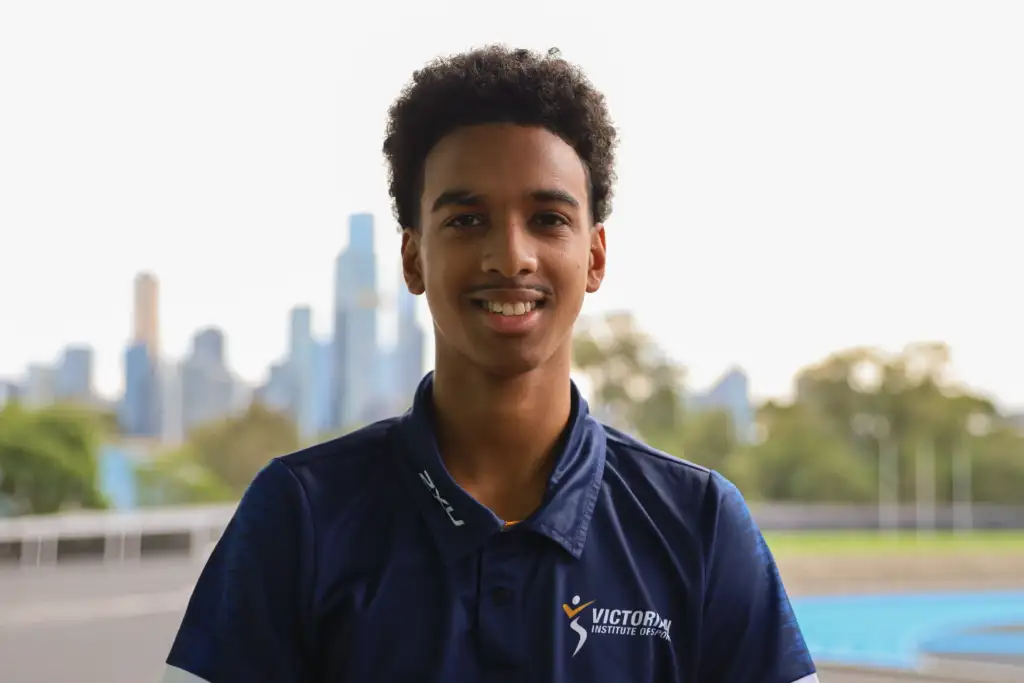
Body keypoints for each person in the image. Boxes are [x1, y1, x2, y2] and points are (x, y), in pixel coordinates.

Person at [162, 45, 818, 683]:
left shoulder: (698, 522)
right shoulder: (300, 514)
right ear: (413, 258)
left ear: (594, 256)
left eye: (547, 219)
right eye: (468, 219)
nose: (510, 255)